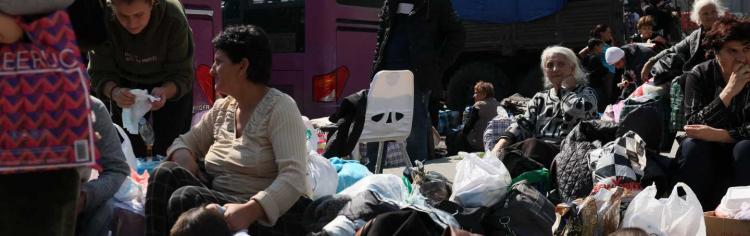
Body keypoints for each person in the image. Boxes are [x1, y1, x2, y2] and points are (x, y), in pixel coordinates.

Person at [145, 25, 310, 236]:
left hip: (267, 216)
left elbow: (293, 177)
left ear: (242, 66)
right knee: (164, 173)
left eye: (219, 62)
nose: (212, 69)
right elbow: (184, 141)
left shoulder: (280, 108)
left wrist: (252, 209)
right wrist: (183, 154)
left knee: (185, 198)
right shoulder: (223, 108)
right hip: (221, 201)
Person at [88, 0, 195, 157]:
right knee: (127, 150)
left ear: (152, 3)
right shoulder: (102, 16)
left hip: (168, 82)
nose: (132, 24)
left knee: (171, 149)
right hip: (123, 84)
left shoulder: (173, 16)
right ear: (112, 7)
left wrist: (165, 91)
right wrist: (114, 92)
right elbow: (99, 73)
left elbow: (183, 74)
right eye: (123, 16)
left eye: (139, 15)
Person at [371, 0, 465, 163]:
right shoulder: (390, 2)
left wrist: (436, 66)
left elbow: (457, 34)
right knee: (375, 126)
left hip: (416, 78)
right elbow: (382, 33)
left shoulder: (434, 3)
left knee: (414, 131)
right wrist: (376, 64)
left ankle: (417, 178)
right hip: (385, 75)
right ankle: (373, 173)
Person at [677, 17, 750, 211]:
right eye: (732, 51)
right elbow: (692, 125)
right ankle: (694, 215)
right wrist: (728, 92)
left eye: (746, 49)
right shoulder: (699, 75)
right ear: (716, 53)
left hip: (740, 149)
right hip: (707, 152)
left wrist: (719, 135)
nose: (742, 59)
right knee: (692, 147)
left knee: (745, 149)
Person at [491, 46, 598, 167]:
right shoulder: (539, 98)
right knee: (505, 154)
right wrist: (498, 148)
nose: (555, 69)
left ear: (572, 68)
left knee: (532, 145)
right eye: (550, 65)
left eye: (561, 64)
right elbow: (522, 124)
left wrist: (566, 90)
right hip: (538, 152)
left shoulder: (586, 94)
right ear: (545, 71)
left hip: (572, 152)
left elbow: (574, 112)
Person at [76, 97, 131, 236]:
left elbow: (117, 168)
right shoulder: (13, 107)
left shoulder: (91, 107)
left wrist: (85, 196)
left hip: (75, 203)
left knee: (104, 208)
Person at [640, 0, 726, 80]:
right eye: (705, 14)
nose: (711, 16)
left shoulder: (727, 33)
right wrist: (650, 62)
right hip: (698, 81)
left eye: (713, 12)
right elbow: (673, 49)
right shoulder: (695, 36)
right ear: (698, 18)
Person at [460, 81, 501, 152]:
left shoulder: (479, 105)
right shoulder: (499, 104)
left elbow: (468, 127)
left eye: (476, 93)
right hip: (495, 144)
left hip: (480, 144)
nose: (473, 96)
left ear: (484, 94)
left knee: (457, 134)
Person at [580, 38, 610, 111]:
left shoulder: (585, 57)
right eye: (601, 46)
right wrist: (607, 69)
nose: (602, 49)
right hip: (597, 85)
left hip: (588, 85)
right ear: (596, 47)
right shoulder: (595, 58)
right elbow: (601, 71)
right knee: (600, 104)